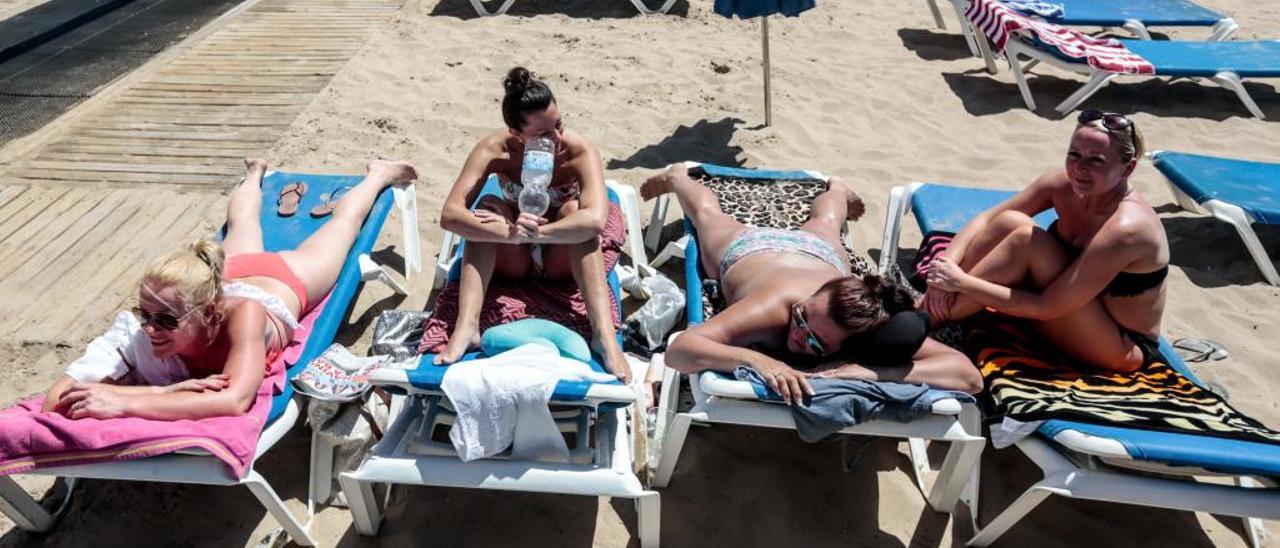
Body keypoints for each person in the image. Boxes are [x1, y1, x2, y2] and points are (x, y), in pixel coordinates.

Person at [41, 158, 419, 420]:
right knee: (240, 222)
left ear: (207, 312)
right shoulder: (134, 331)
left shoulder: (245, 315)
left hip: (285, 279)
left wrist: (128, 400)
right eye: (145, 314)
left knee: (344, 223)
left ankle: (378, 174)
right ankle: (256, 174)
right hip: (233, 272)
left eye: (167, 320)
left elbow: (235, 399)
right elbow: (54, 401)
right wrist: (168, 393)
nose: (150, 328)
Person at [642, 165, 983, 404]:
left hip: (820, 257)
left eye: (815, 342)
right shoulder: (774, 309)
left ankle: (837, 188)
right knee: (707, 216)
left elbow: (969, 377)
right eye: (802, 318)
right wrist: (760, 361)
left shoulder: (870, 329)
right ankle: (677, 176)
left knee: (828, 222)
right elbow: (681, 351)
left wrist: (870, 373)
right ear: (812, 298)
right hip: (754, 252)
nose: (797, 334)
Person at [924, 109, 1168, 373]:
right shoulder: (1063, 185)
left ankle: (925, 321)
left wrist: (960, 281)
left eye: (1096, 160)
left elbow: (1046, 307)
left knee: (1026, 242)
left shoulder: (1127, 228)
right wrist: (944, 270)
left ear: (1128, 168)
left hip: (1118, 346)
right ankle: (933, 311)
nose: (1079, 168)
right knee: (1012, 221)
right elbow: (986, 220)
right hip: (1066, 311)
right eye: (1074, 155)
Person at [436, 66, 628, 381]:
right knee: (486, 210)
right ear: (516, 133)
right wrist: (508, 233)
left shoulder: (577, 150)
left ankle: (603, 335)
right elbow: (450, 215)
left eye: (559, 125)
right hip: (515, 257)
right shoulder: (494, 149)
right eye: (542, 134)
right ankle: (466, 327)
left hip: (561, 254)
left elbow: (595, 220)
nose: (556, 138)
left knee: (573, 210)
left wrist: (542, 233)